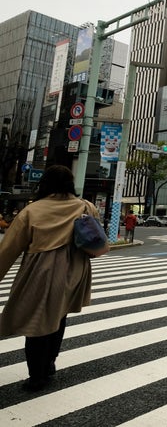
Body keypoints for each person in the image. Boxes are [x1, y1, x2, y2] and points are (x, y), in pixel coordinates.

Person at [0, 165, 97, 392]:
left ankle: (37, 376)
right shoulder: (86, 207)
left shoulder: (32, 211)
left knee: (37, 322)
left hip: (41, 272)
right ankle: (50, 363)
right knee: (58, 317)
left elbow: (8, 249)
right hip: (75, 271)